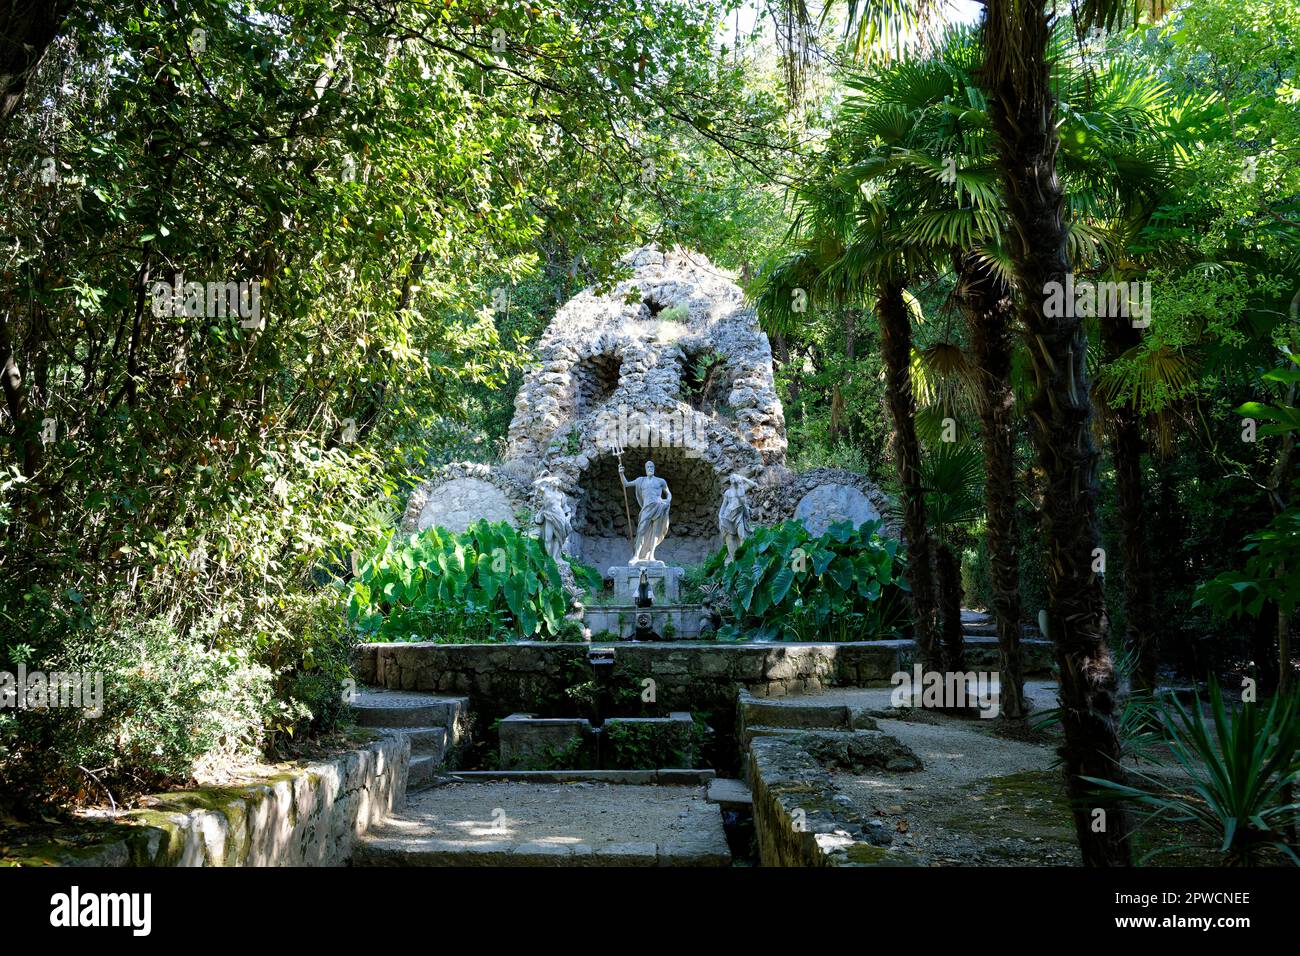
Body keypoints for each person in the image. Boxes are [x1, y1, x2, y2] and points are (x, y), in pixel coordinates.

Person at [618, 459, 671, 564]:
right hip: (646, 509)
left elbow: (668, 493)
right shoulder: (640, 480)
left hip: (658, 507)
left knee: (655, 533)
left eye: (652, 467)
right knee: (641, 531)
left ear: (654, 469)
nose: (650, 469)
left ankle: (651, 555)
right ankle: (636, 555)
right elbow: (626, 484)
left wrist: (667, 501)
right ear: (645, 469)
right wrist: (621, 473)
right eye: (648, 467)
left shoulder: (661, 481)